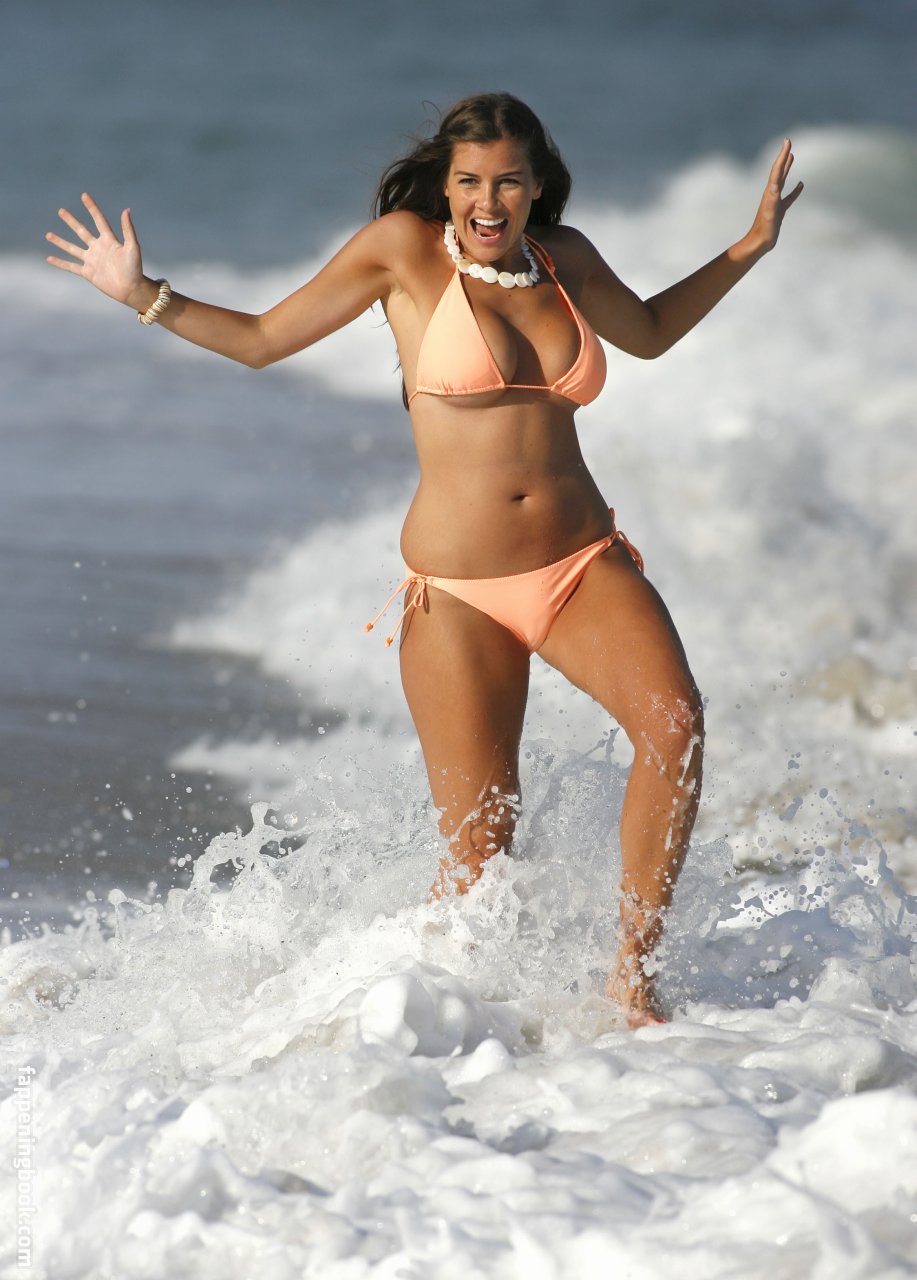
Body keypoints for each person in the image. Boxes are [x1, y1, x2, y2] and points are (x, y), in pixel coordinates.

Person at [46, 92, 802, 1026]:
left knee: (674, 726)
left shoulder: (563, 261)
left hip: (579, 561)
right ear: (444, 187)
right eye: (469, 182)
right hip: (457, 594)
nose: (488, 202)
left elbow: (646, 332)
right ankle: (438, 1032)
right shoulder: (402, 251)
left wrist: (747, 248)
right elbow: (262, 340)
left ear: (536, 187)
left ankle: (633, 978)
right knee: (482, 857)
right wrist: (142, 295)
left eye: (509, 182)